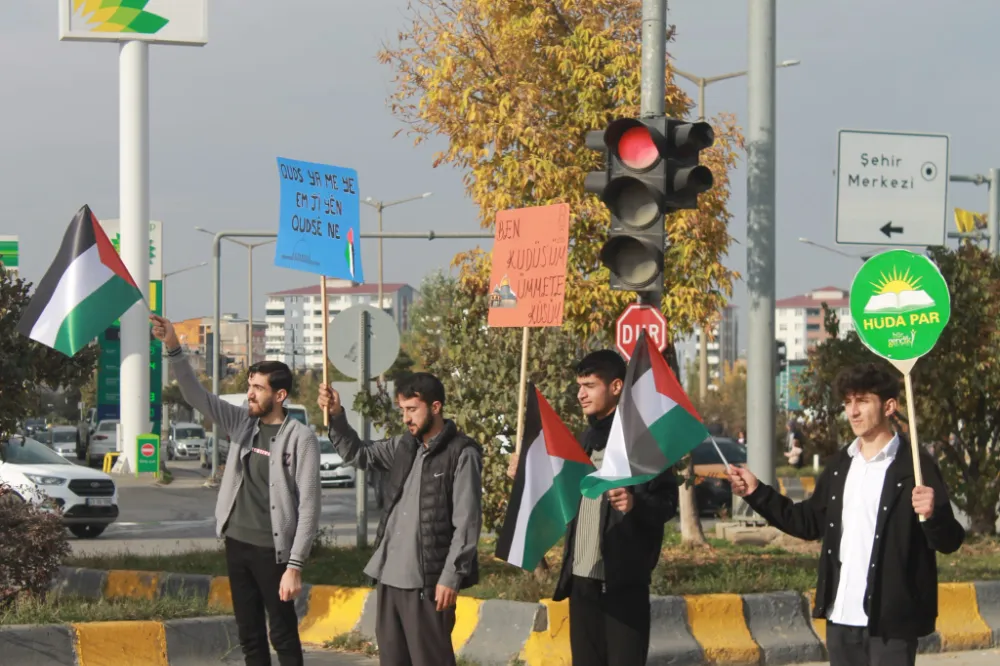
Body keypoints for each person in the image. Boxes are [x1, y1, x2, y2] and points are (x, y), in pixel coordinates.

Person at [727, 363, 965, 666]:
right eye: (848, 402)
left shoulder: (915, 466)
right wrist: (756, 491)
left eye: (863, 401)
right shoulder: (842, 464)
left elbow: (950, 541)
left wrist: (932, 515)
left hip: (891, 622)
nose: (852, 411)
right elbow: (808, 521)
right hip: (840, 617)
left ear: (889, 406)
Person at [150, 314, 320, 666]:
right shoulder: (242, 422)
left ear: (280, 394)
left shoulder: (300, 439)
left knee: (283, 634)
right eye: (250, 386)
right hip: (238, 543)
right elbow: (195, 394)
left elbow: (310, 507)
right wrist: (173, 347)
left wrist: (295, 565)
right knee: (249, 634)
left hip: (274, 552)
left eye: (258, 388)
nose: (250, 393)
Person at [510, 349, 679, 666]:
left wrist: (635, 503)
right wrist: (527, 472)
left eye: (589, 385)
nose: (580, 394)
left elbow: (667, 504)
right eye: (579, 385)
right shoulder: (585, 440)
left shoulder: (644, 442)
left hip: (622, 582)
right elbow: (563, 492)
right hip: (582, 580)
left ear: (616, 387)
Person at [317, 373, 482, 666]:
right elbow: (359, 454)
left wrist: (451, 576)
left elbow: (467, 524)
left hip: (427, 584)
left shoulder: (461, 453)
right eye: (402, 410)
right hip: (389, 578)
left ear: (435, 407)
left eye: (412, 409)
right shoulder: (403, 446)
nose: (406, 418)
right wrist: (337, 416)